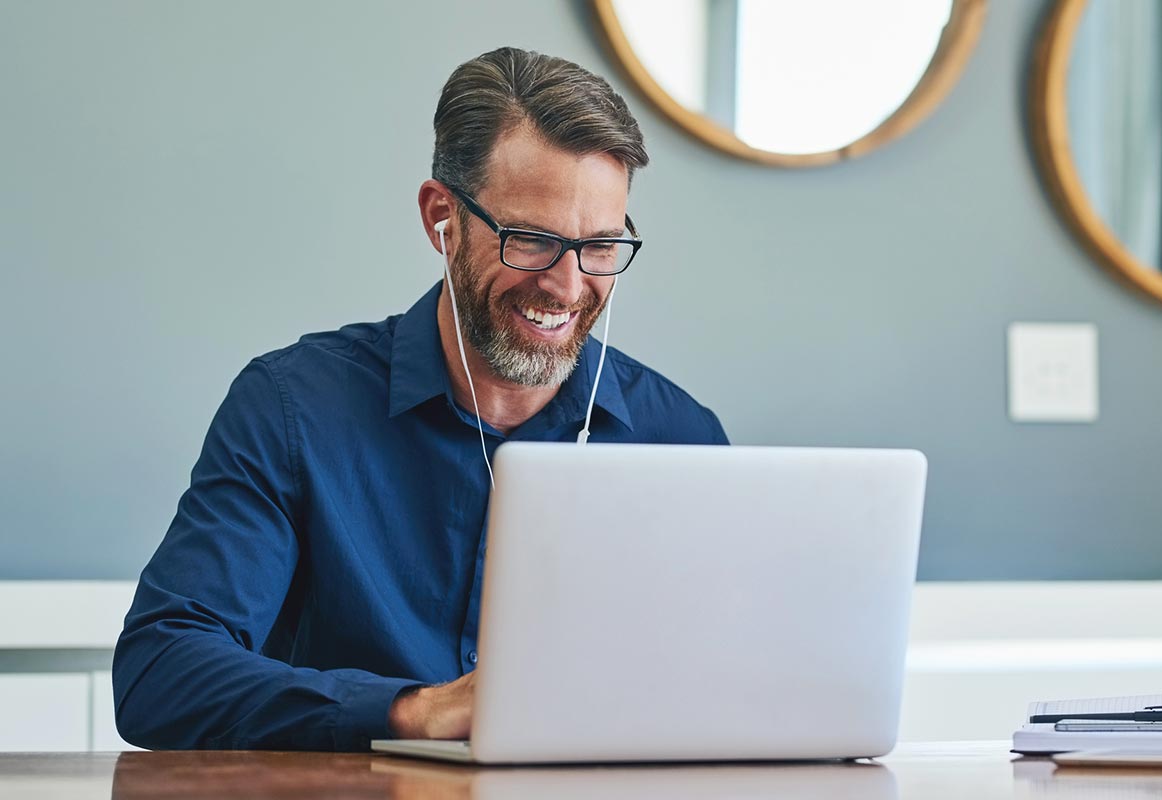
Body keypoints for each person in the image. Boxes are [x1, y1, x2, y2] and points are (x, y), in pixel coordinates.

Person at [113, 47, 727, 752]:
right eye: (531, 240)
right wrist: (409, 711)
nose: (567, 284)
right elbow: (159, 672)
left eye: (599, 246)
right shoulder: (293, 409)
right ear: (442, 218)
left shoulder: (681, 437)